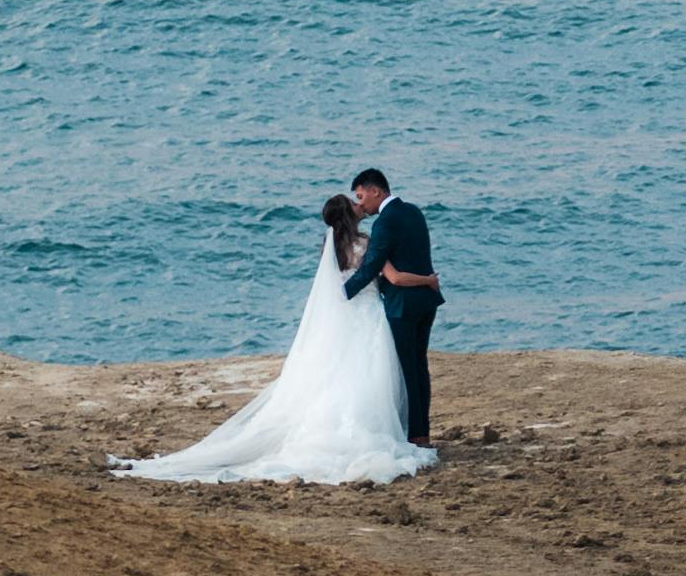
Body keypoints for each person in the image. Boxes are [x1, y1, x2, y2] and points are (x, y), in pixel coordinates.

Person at [108, 189, 425, 487]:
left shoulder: (330, 248)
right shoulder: (367, 243)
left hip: (348, 317)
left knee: (341, 374)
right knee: (368, 373)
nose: (360, 206)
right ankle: (372, 430)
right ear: (349, 214)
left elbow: (338, 287)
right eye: (354, 203)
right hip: (368, 315)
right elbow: (386, 276)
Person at [346, 171, 441, 456]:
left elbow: (372, 264)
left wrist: (342, 294)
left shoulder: (385, 222)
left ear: (375, 190)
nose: (362, 204)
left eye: (361, 196)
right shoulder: (413, 212)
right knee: (419, 367)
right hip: (427, 300)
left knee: (406, 369)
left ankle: (415, 435)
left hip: (403, 303)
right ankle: (421, 432)